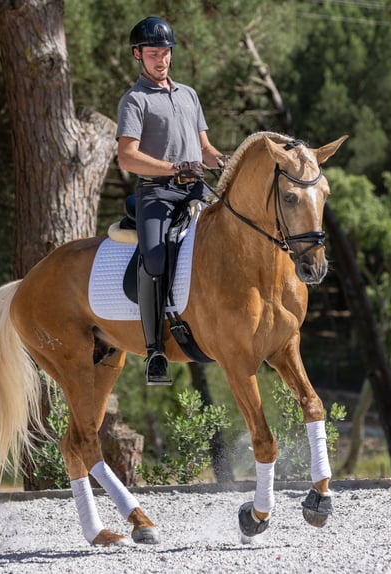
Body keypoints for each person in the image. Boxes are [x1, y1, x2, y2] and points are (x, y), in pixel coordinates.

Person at [116, 16, 229, 386]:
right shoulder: (134, 101)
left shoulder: (188, 94)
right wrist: (172, 168)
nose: (161, 59)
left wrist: (226, 160)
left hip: (195, 189)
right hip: (157, 193)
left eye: (165, 52)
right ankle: (155, 352)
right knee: (155, 257)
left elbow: (205, 149)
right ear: (138, 55)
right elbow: (127, 157)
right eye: (153, 53)